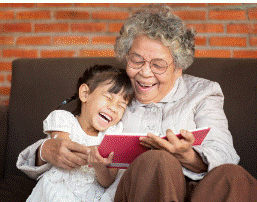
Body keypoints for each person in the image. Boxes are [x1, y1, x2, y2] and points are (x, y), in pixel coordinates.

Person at [17, 4, 257, 202]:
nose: (145, 73)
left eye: (158, 65)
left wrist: (189, 156)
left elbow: (223, 152)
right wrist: (44, 150)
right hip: (138, 192)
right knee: (157, 161)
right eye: (136, 60)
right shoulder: (117, 96)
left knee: (233, 177)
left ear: (178, 67)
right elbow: (80, 132)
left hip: (200, 193)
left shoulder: (204, 92)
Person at [24, 65, 134, 202]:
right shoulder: (64, 119)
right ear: (85, 94)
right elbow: (66, 150)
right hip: (56, 192)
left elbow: (107, 181)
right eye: (108, 98)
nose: (113, 108)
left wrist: (100, 167)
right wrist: (93, 153)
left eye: (121, 105)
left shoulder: (113, 133)